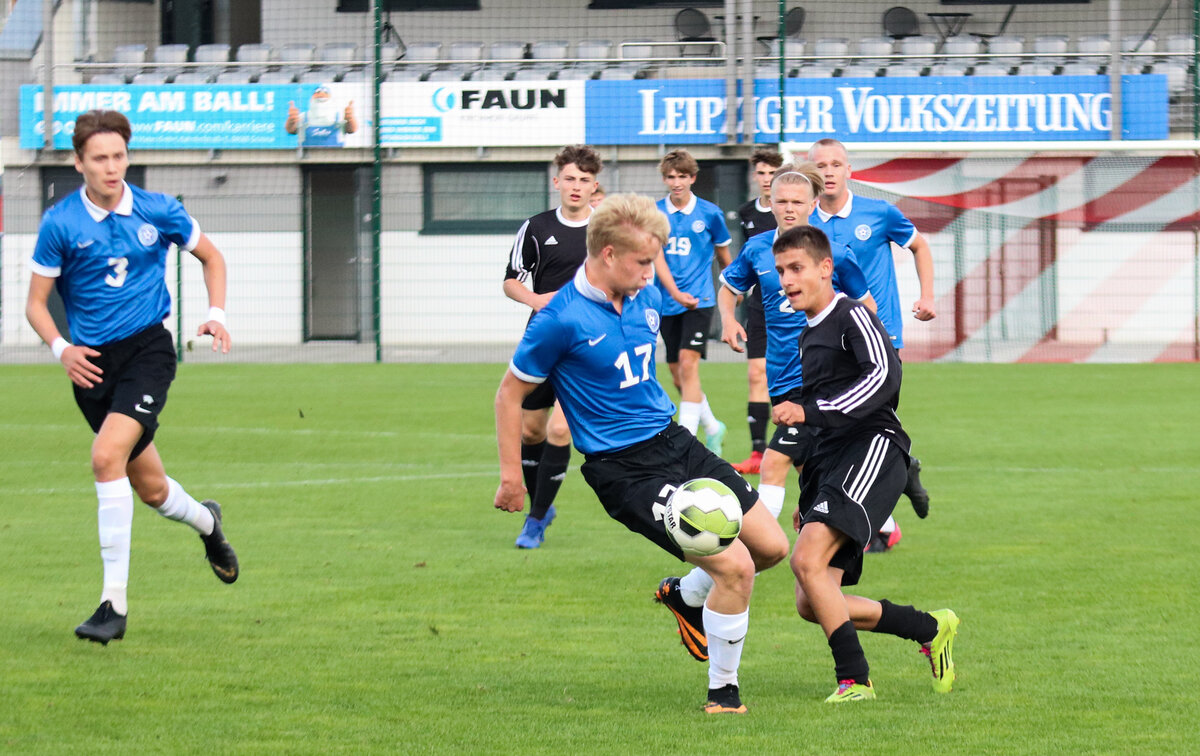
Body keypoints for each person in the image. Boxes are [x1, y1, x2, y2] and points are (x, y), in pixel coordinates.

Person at [494, 194, 789, 714]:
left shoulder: (645, 296)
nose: (652, 273)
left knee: (771, 547)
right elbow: (509, 395)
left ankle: (683, 596)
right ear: (608, 254)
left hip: (674, 441)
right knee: (736, 568)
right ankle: (723, 693)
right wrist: (512, 477)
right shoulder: (559, 318)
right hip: (622, 470)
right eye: (644, 262)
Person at [25, 109, 238, 645]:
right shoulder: (60, 223)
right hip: (89, 364)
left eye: (119, 156)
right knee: (151, 489)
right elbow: (35, 304)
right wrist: (61, 348)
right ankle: (208, 524)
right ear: (79, 163)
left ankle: (112, 606)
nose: (112, 167)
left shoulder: (159, 209)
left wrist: (217, 314)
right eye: (100, 158)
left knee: (104, 457)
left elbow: (212, 257)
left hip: (147, 351)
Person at [658, 163, 875, 648]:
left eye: (799, 202)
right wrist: (730, 323)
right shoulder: (759, 250)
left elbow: (866, 307)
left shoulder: (833, 252)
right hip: (783, 384)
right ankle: (863, 534)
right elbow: (729, 288)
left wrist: (869, 355)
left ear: (813, 205)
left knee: (774, 464)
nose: (790, 209)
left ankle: (709, 579)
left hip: (821, 384)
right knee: (811, 477)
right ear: (770, 203)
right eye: (782, 202)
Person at [771, 225, 959, 703]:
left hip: (873, 447)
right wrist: (808, 498)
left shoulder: (852, 314)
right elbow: (821, 418)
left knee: (806, 560)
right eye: (780, 271)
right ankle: (930, 627)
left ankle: (855, 680)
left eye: (797, 268)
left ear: (825, 268)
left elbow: (885, 377)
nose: (787, 279)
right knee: (811, 602)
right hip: (831, 464)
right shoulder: (808, 333)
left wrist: (809, 411)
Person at [808, 138, 932, 549]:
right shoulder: (806, 225)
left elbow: (919, 245)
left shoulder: (878, 213)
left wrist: (927, 295)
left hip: (879, 337)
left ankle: (878, 526)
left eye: (836, 164)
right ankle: (901, 476)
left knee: (868, 425)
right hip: (830, 342)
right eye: (821, 165)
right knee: (854, 428)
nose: (828, 171)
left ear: (849, 170)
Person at [502, 145, 602, 549]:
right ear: (556, 181)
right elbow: (511, 280)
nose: (576, 186)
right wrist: (536, 299)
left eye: (584, 180)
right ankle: (542, 505)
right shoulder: (536, 227)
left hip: (588, 346)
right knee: (531, 431)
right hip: (542, 338)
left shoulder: (606, 229)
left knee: (561, 429)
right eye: (570, 178)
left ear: (595, 185)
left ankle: (537, 517)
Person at [652, 149, 732, 455]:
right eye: (671, 177)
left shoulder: (711, 214)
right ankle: (713, 426)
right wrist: (672, 293)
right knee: (676, 372)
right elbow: (655, 256)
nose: (676, 182)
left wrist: (734, 292)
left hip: (700, 301)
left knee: (688, 364)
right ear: (664, 179)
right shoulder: (655, 213)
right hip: (666, 302)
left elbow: (726, 259)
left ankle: (685, 443)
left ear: (692, 178)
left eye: (682, 176)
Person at [731, 149, 783, 476]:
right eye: (761, 173)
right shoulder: (747, 212)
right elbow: (747, 257)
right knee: (755, 375)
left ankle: (797, 446)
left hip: (792, 306)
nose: (766, 179)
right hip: (760, 305)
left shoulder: (792, 209)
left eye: (772, 173)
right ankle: (757, 452)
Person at [285, 87, 358, 147]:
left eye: (325, 93)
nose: (321, 94)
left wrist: (350, 119)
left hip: (336, 158)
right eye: (317, 93)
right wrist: (291, 120)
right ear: (311, 99)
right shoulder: (303, 116)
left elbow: (352, 130)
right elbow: (291, 130)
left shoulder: (340, 116)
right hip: (307, 159)